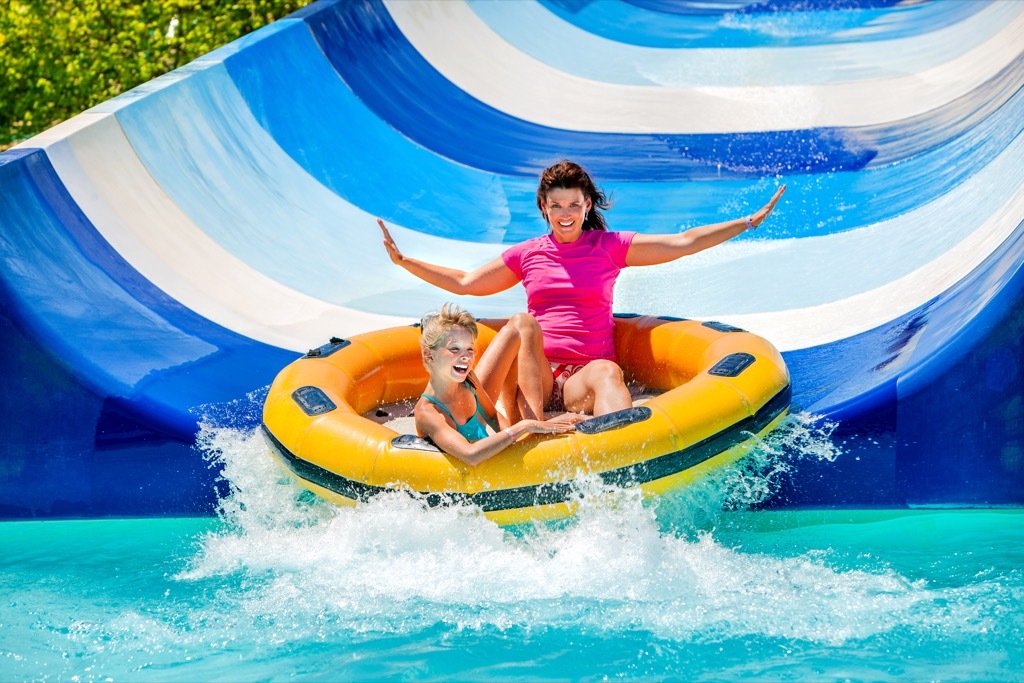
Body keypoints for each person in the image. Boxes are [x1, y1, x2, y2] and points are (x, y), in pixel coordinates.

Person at [380, 160, 786, 420]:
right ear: (544, 208)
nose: (565, 215)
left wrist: (746, 223)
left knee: (608, 371)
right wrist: (404, 262)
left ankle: (621, 452)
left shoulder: (609, 248)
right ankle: (531, 428)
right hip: (536, 376)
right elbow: (465, 284)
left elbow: (683, 243)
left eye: (573, 205)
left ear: (587, 205)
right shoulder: (528, 254)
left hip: (581, 383)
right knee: (523, 324)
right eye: (556, 206)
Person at [416, 303, 577, 466]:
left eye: (469, 349)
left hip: (492, 463)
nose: (465, 357)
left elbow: (492, 416)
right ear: (429, 355)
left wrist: (522, 441)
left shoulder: (467, 379)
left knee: (512, 333)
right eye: (455, 349)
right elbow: (470, 456)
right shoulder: (428, 413)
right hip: (471, 482)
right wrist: (524, 427)